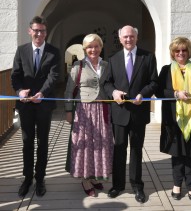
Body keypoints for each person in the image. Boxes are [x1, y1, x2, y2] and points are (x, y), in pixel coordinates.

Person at [104, 25, 158, 203]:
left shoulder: (148, 57)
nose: (128, 39)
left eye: (131, 36)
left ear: (137, 37)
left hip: (138, 113)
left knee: (136, 150)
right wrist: (113, 92)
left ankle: (137, 186)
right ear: (120, 39)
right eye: (125, 37)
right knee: (119, 149)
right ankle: (117, 185)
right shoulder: (112, 59)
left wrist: (144, 93)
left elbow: (153, 82)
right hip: (119, 113)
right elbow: (107, 83)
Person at [156, 37, 191, 202]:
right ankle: (177, 185)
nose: (181, 53)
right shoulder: (166, 70)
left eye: (184, 50)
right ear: (172, 53)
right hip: (174, 120)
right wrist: (175, 94)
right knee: (177, 154)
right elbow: (160, 91)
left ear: (188, 51)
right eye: (177, 50)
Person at [11, 16, 60, 197]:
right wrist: (19, 91)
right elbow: (15, 75)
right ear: (29, 31)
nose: (39, 34)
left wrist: (43, 93)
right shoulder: (21, 50)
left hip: (44, 105)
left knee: (42, 143)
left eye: (42, 31)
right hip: (25, 106)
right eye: (36, 30)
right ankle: (27, 178)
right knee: (26, 142)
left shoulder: (54, 52)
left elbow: (54, 76)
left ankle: (40, 179)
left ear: (46, 32)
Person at [64, 34, 113, 197]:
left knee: (100, 144)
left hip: (102, 109)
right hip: (83, 111)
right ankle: (85, 179)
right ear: (85, 49)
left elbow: (110, 85)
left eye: (96, 46)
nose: (93, 49)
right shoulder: (78, 66)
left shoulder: (107, 65)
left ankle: (93, 176)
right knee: (84, 145)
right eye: (90, 47)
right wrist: (68, 110)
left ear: (101, 47)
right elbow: (69, 90)